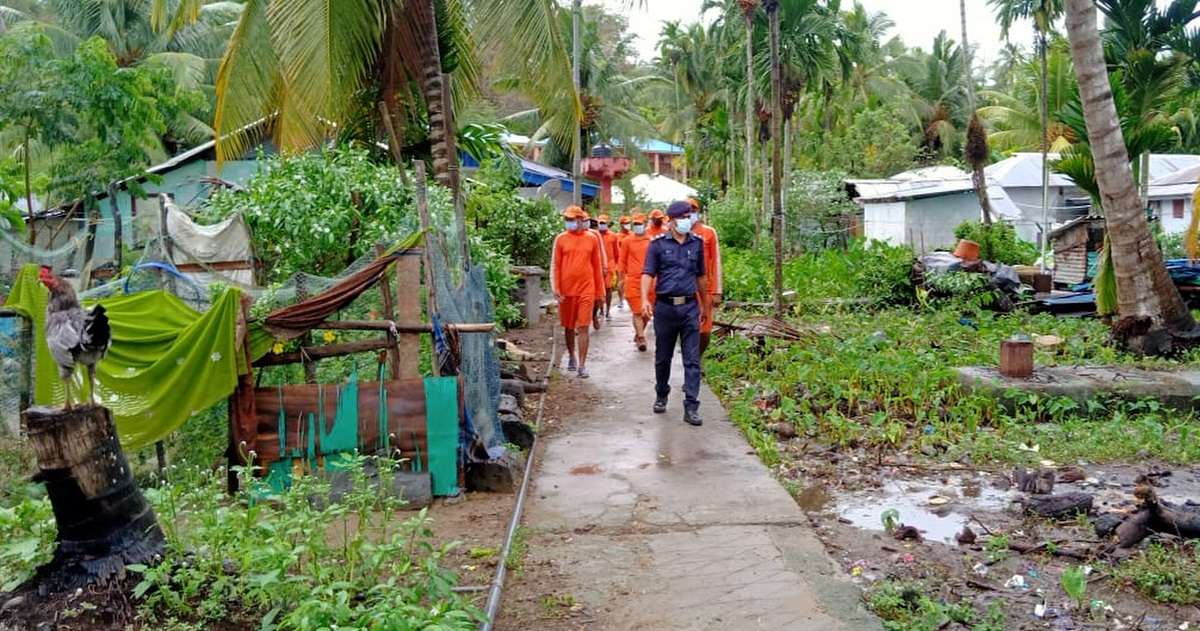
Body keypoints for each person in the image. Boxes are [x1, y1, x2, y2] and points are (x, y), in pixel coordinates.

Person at [641, 200, 709, 426]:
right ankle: (662, 393)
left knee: (692, 360)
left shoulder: (697, 244)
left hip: (689, 307)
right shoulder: (658, 245)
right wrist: (644, 300)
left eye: (689, 216)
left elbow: (701, 276)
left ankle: (691, 406)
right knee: (663, 358)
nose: (688, 220)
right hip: (665, 308)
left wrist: (705, 306)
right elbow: (648, 273)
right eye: (683, 217)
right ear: (670, 221)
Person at [550, 206, 604, 378]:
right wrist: (556, 288)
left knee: (583, 326)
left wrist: (599, 292)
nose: (569, 222)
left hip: (586, 289)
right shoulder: (560, 239)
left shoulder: (592, 239)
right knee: (568, 326)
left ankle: (582, 364)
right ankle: (572, 355)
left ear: (581, 220)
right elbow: (556, 266)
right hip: (566, 291)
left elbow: (596, 266)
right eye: (567, 219)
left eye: (572, 219)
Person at [687, 198, 723, 358]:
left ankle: (697, 358)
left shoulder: (709, 232)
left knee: (705, 330)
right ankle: (691, 363)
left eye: (693, 210)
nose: (690, 214)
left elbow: (716, 261)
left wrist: (717, 291)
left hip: (705, 290)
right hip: (683, 289)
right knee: (688, 328)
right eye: (687, 211)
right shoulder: (676, 233)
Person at [619, 212, 654, 351]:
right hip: (632, 280)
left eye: (640, 224)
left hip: (650, 280)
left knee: (646, 313)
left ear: (645, 224)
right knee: (637, 311)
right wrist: (621, 279)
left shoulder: (651, 241)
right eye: (635, 224)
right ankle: (641, 338)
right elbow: (622, 260)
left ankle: (639, 333)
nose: (637, 226)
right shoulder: (627, 240)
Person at [582, 211, 608, 331]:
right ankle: (580, 323)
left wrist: (604, 266)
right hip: (579, 273)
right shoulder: (568, 236)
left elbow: (601, 251)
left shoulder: (594, 235)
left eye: (586, 220)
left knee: (597, 298)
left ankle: (594, 315)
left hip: (594, 270)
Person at [597, 214, 621, 321]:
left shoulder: (613, 236)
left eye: (604, 223)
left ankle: (607, 311)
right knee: (599, 289)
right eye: (600, 223)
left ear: (607, 224)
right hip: (598, 266)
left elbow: (617, 253)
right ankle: (601, 310)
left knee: (608, 289)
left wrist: (616, 267)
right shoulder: (595, 235)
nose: (602, 225)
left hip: (610, 267)